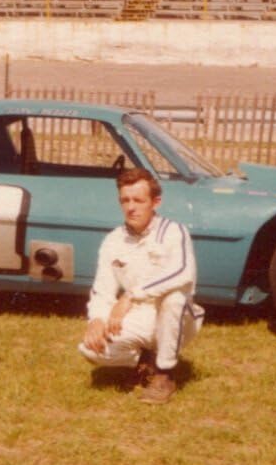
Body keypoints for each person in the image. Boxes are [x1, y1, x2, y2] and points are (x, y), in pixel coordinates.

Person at [78, 169, 204, 404]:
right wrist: (96, 319)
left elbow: (182, 273)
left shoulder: (173, 231)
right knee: (89, 348)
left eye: (138, 200)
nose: (131, 207)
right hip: (139, 317)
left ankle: (164, 374)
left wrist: (130, 297)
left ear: (155, 202)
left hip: (177, 316)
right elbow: (102, 288)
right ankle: (145, 362)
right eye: (125, 200)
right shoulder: (114, 239)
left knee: (174, 298)